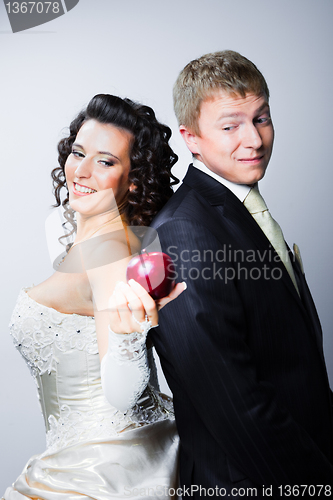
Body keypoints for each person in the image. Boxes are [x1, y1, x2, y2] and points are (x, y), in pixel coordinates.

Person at [143, 51, 332, 496]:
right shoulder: (182, 231)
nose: (254, 139)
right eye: (230, 126)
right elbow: (231, 401)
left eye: (261, 118)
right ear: (191, 138)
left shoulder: (241, 209)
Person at [4, 94, 185, 499]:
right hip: (76, 453)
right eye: (77, 153)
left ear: (133, 179)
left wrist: (127, 337)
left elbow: (122, 394)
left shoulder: (107, 253)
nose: (81, 171)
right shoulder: (87, 231)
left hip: (102, 469)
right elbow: (62, 227)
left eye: (104, 161)